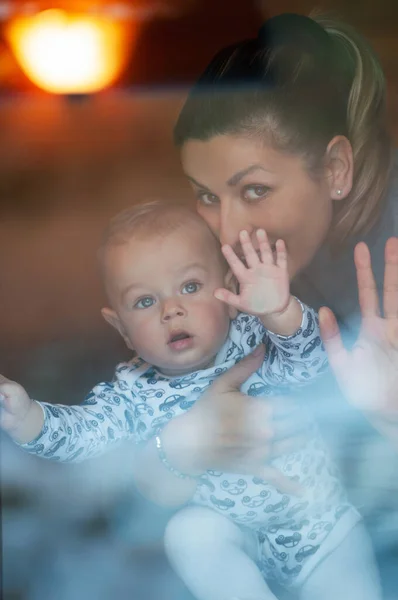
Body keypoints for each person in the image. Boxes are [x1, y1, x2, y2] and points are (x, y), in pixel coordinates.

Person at [126, 11, 398, 600]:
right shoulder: (234, 282)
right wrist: (181, 445)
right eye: (205, 195)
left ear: (335, 169)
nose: (227, 229)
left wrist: (391, 420)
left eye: (254, 191)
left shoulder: (381, 267)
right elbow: (145, 475)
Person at [0, 201, 381, 600]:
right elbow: (85, 434)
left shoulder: (253, 340)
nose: (171, 309)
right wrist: (28, 416)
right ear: (122, 329)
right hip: (237, 541)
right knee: (189, 532)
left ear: (229, 290)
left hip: (320, 529)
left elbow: (310, 364)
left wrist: (280, 311)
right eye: (145, 301)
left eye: (190, 287)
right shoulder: (133, 390)